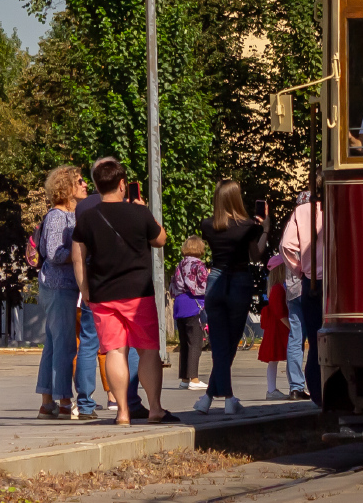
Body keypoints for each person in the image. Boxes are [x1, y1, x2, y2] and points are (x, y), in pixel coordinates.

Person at [70, 159, 177, 425]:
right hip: (138, 293)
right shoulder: (138, 214)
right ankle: (154, 409)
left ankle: (122, 413)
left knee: (115, 351)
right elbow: (161, 239)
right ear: (122, 185)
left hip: (103, 295)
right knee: (148, 351)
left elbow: (77, 258)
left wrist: (86, 290)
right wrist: (146, 211)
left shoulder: (87, 218)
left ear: (96, 186)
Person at [195, 180, 268, 415]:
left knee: (219, 343)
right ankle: (228, 399)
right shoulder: (249, 226)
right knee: (230, 343)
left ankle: (208, 398)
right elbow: (256, 255)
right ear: (237, 198)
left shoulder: (207, 225)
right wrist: (264, 229)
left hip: (215, 280)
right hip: (239, 281)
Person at [35, 166, 91, 419]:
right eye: (79, 181)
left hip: (62, 286)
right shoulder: (58, 216)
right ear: (66, 187)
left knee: (53, 344)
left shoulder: (74, 213)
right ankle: (64, 400)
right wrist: (81, 255)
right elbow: (54, 253)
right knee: (65, 345)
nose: (85, 185)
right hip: (58, 286)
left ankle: (48, 402)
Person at [281, 195, 323, 405]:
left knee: (307, 339)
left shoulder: (302, 211)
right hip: (336, 282)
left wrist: (301, 271)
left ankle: (307, 387)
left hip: (310, 282)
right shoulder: (337, 205)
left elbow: (286, 246)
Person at [172, 236, 209, 391]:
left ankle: (185, 379)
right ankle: (194, 379)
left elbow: (173, 285)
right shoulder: (198, 264)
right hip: (194, 305)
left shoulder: (180, 264)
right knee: (195, 342)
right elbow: (202, 286)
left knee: (184, 343)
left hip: (180, 304)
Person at [259, 256, 290, 399]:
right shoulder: (279, 289)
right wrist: (291, 326)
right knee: (288, 357)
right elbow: (280, 312)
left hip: (274, 328)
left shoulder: (274, 288)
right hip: (278, 329)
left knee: (274, 360)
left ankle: (272, 389)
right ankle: (292, 387)